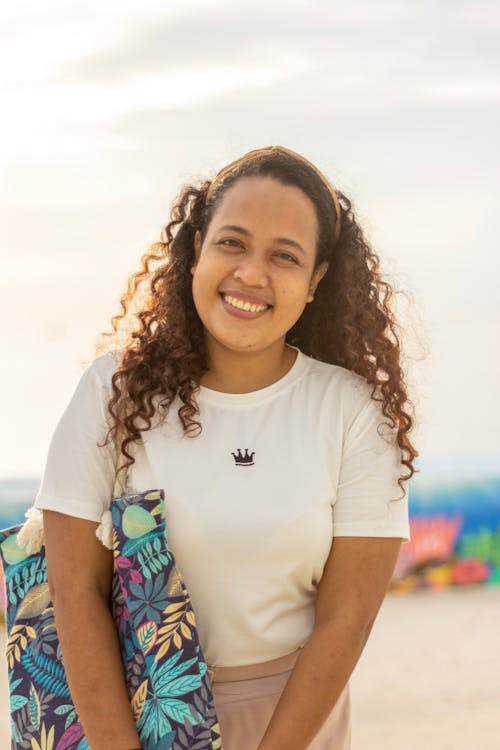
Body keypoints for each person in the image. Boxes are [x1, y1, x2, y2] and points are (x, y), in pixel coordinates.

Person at [34, 145, 416, 750]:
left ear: (316, 281)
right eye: (232, 243)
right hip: (120, 712)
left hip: (293, 721)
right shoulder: (112, 392)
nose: (251, 274)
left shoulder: (354, 413)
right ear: (195, 253)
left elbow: (347, 621)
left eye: (284, 256)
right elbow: (73, 590)